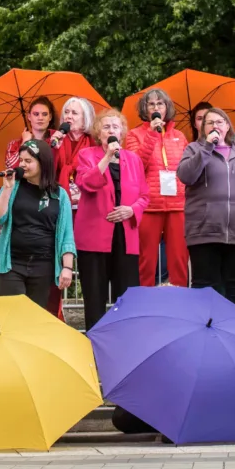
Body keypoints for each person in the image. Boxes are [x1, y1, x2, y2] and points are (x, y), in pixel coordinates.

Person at [177, 107, 235, 312]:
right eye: (210, 122)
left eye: (220, 121)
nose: (215, 125)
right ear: (202, 128)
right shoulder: (194, 149)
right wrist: (207, 147)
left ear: (227, 126)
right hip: (205, 231)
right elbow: (186, 176)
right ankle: (203, 337)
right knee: (205, 287)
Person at [73, 109, 147, 330]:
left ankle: (124, 340)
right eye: (106, 127)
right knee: (94, 296)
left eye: (115, 127)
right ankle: (94, 342)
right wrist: (106, 157)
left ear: (122, 131)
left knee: (126, 297)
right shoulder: (87, 155)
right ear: (98, 132)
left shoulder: (133, 160)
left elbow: (145, 195)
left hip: (125, 236)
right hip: (94, 237)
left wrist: (132, 210)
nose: (111, 130)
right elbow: (86, 183)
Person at [0, 139, 76, 309]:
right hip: (12, 264)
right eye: (21, 160)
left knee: (35, 320)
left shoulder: (60, 194)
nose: (23, 165)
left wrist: (67, 267)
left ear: (42, 163)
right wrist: (6, 189)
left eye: (28, 161)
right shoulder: (13, 187)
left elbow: (67, 235)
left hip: (43, 266)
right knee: (13, 316)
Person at [125, 88, 189, 288]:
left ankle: (179, 307)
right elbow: (136, 166)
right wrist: (152, 135)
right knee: (146, 261)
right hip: (149, 205)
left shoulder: (180, 136)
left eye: (160, 103)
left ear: (167, 107)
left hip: (178, 205)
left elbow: (187, 170)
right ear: (144, 109)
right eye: (151, 104)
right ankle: (144, 306)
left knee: (179, 261)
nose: (155, 107)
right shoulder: (134, 135)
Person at [52, 97, 98, 207]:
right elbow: (47, 170)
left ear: (85, 119)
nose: (69, 116)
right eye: (66, 112)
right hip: (56, 199)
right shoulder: (55, 138)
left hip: (86, 202)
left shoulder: (94, 143)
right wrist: (54, 149)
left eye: (74, 113)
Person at [5, 96, 58, 171]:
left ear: (50, 117)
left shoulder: (57, 140)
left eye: (45, 114)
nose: (40, 118)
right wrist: (25, 142)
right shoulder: (14, 144)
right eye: (36, 114)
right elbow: (11, 167)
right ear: (29, 117)